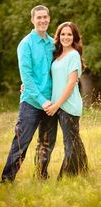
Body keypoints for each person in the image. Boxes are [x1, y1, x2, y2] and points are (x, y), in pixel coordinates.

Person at [1, 5, 57, 182]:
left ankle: (42, 175)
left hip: (52, 102)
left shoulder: (54, 43)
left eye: (45, 17)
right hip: (31, 103)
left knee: (46, 143)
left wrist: (74, 77)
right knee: (20, 143)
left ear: (49, 18)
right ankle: (7, 180)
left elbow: (62, 68)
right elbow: (27, 77)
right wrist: (42, 101)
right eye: (38, 17)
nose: (42, 20)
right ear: (32, 20)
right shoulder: (25, 44)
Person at [46, 22, 88, 178]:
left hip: (68, 105)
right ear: (58, 36)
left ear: (74, 37)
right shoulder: (57, 55)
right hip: (58, 105)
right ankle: (83, 170)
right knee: (74, 139)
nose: (66, 37)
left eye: (69, 34)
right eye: (63, 34)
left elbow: (71, 84)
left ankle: (64, 178)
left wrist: (56, 105)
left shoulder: (73, 55)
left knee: (70, 142)